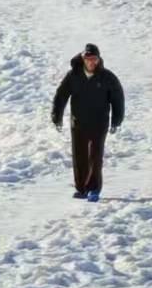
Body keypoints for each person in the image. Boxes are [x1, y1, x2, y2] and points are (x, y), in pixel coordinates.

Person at [52, 43, 125, 203]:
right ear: (83, 59)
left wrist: (116, 120)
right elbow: (61, 96)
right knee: (79, 156)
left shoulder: (107, 77)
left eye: (94, 59)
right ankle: (81, 188)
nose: (91, 62)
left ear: (99, 60)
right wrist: (57, 116)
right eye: (88, 59)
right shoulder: (73, 76)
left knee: (95, 156)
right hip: (78, 122)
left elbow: (117, 98)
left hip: (99, 123)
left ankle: (93, 189)